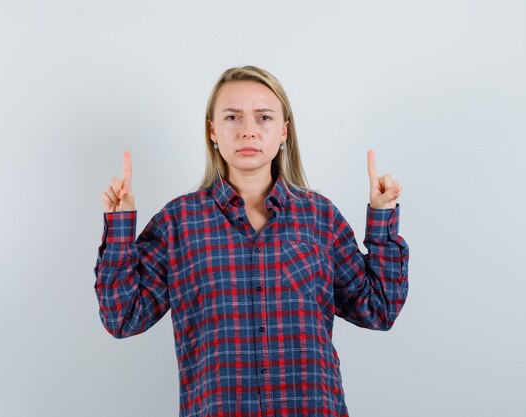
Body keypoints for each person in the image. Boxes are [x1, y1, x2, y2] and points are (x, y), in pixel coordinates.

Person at [94, 66, 409, 417]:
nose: (248, 131)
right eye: (232, 117)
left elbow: (378, 309)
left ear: (283, 132)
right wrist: (120, 226)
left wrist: (382, 218)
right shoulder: (178, 223)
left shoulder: (319, 217)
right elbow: (123, 318)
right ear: (212, 130)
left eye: (263, 118)